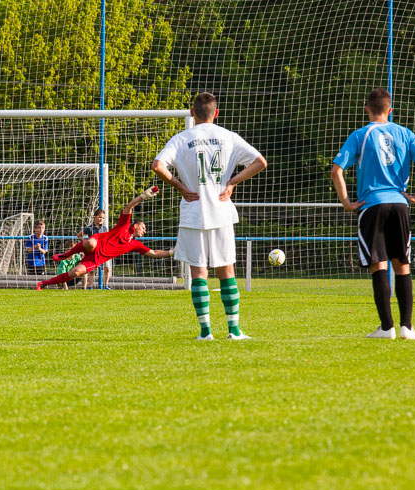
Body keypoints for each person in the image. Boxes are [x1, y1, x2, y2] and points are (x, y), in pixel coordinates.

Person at [151, 91, 267, 341]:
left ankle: (205, 332)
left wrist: (180, 187)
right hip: (221, 212)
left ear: (192, 113)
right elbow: (260, 162)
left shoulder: (181, 139)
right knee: (227, 271)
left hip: (193, 213)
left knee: (199, 273)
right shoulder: (229, 137)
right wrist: (232, 182)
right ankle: (234, 330)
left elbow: (158, 166)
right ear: (216, 113)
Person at [331, 88, 415, 340]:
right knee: (402, 264)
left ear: (367, 109)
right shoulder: (405, 133)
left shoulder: (360, 135)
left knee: (378, 263)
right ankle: (407, 327)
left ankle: (386, 328)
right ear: (390, 110)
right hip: (399, 204)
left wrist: (346, 202)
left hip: (372, 205)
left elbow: (336, 170)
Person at [36, 188, 173, 290]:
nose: (145, 231)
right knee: (90, 242)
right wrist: (143, 196)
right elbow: (129, 207)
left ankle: (43, 283)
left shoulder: (135, 244)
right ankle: (66, 255)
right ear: (135, 226)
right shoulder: (124, 225)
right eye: (143, 228)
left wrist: (172, 252)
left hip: (96, 259)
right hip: (97, 242)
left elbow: (154, 253)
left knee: (75, 272)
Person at [77, 209, 111, 289]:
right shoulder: (90, 228)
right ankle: (90, 286)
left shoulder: (104, 228)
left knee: (107, 268)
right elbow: (79, 235)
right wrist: (85, 242)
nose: (101, 219)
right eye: (100, 217)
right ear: (95, 217)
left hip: (103, 251)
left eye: (103, 218)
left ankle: (105, 285)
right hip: (93, 251)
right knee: (92, 270)